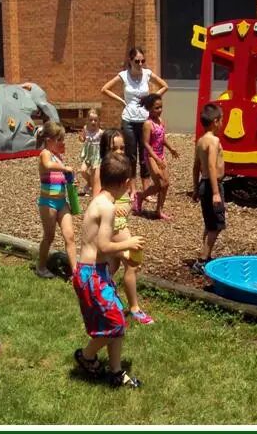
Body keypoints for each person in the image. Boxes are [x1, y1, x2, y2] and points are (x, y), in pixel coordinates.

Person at [72, 151, 145, 388]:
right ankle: (86, 356)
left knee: (117, 319)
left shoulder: (100, 201)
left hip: (96, 272)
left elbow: (97, 245)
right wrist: (128, 243)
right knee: (116, 323)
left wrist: (123, 255)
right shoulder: (108, 207)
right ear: (126, 183)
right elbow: (103, 245)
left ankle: (115, 372)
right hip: (92, 275)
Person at [94, 128, 153, 325]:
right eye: (114, 149)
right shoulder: (102, 171)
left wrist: (129, 201)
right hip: (112, 226)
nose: (119, 152)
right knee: (132, 262)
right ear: (105, 150)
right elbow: (96, 199)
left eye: (122, 148)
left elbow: (127, 196)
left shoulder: (123, 168)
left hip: (121, 223)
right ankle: (134, 308)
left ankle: (100, 292)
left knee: (114, 264)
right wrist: (112, 207)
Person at [100, 47, 169, 195]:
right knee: (131, 155)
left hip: (144, 120)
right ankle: (132, 189)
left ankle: (146, 188)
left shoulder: (147, 74)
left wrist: (151, 99)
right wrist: (121, 100)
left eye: (143, 61)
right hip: (129, 120)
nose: (140, 64)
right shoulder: (124, 75)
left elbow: (165, 86)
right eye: (137, 61)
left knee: (145, 154)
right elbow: (105, 89)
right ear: (130, 61)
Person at [34, 122, 77, 278]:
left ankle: (76, 273)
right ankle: (41, 267)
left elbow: (59, 176)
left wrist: (70, 181)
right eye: (59, 139)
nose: (62, 143)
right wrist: (65, 168)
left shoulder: (58, 157)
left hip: (62, 202)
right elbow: (47, 165)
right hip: (48, 202)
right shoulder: (45, 153)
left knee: (70, 236)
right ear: (49, 140)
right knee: (49, 236)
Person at [191, 103, 226, 275]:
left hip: (204, 184)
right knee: (216, 226)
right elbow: (211, 166)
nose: (222, 124)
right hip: (213, 185)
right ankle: (202, 260)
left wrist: (195, 188)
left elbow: (196, 167)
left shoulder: (200, 141)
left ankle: (206, 254)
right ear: (215, 121)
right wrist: (216, 193)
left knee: (209, 223)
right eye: (221, 120)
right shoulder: (214, 141)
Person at [135, 94, 179, 220]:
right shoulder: (147, 124)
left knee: (166, 184)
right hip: (151, 156)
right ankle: (140, 196)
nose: (160, 110)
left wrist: (171, 148)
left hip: (161, 155)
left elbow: (162, 138)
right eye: (156, 108)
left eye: (161, 107)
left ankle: (159, 210)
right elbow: (146, 144)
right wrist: (156, 159)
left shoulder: (161, 121)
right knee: (159, 184)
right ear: (149, 109)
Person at [77, 109, 103, 196]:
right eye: (91, 120)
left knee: (93, 172)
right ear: (87, 120)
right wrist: (81, 138)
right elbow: (83, 139)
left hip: (96, 155)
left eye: (95, 120)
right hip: (88, 154)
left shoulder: (100, 132)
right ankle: (90, 183)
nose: (93, 122)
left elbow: (104, 143)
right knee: (82, 170)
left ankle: (92, 188)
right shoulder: (85, 128)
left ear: (98, 121)